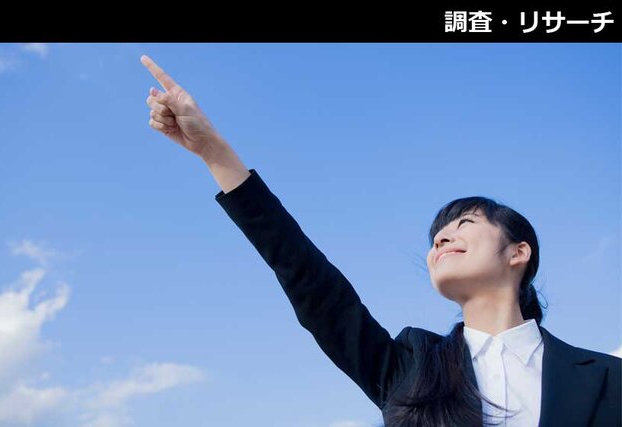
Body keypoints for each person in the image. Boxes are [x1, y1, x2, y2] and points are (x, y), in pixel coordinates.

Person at [140, 54, 621, 427]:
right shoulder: (408, 366)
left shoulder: (606, 378)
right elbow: (311, 282)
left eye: (464, 223)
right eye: (437, 235)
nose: (442, 237)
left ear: (519, 252)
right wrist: (214, 152)